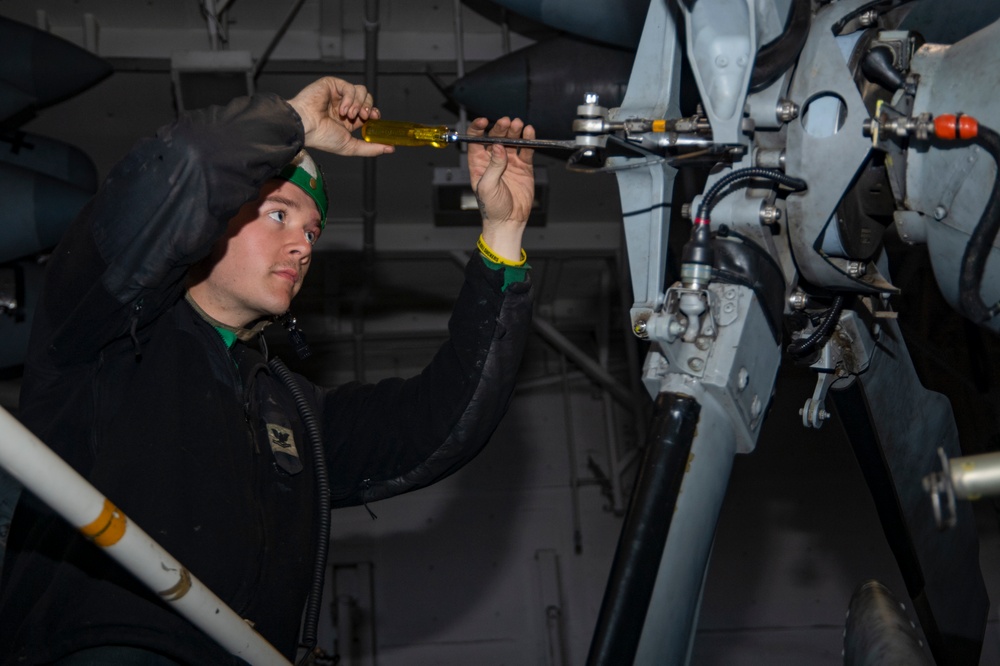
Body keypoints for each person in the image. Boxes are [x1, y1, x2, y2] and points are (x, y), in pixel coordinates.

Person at [0, 76, 535, 664]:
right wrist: (293, 125)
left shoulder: (296, 412)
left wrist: (501, 235)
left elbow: (442, 424)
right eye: (279, 214)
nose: (304, 246)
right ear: (213, 220)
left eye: (312, 230)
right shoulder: (104, 329)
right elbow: (187, 166)